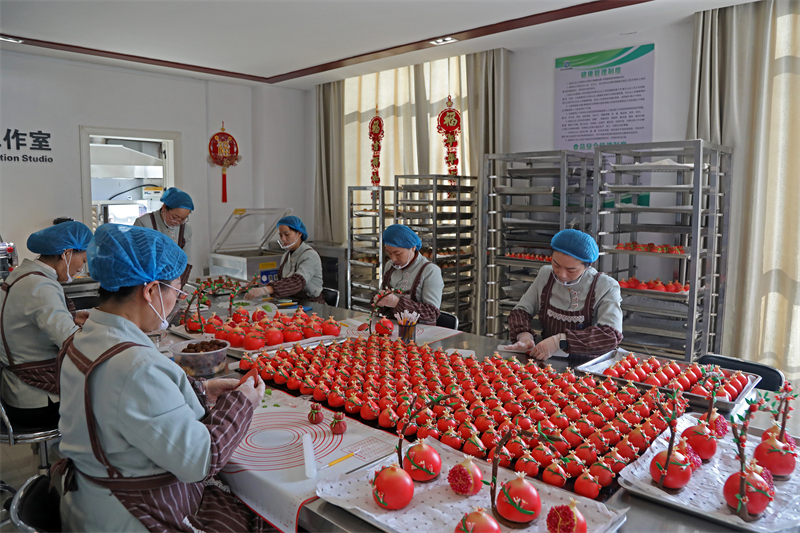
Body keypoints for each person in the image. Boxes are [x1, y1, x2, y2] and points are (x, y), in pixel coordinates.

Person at [57, 224, 266, 532]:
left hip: (92, 497)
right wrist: (242, 402)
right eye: (176, 292)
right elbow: (200, 460)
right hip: (133, 513)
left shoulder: (85, 337)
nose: (176, 303)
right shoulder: (135, 365)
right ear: (151, 291)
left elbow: (128, 410)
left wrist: (202, 390)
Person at [0, 221, 92, 426]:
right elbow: (72, 343)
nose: (81, 268)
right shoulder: (40, 285)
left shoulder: (24, 274)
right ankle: (77, 456)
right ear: (66, 254)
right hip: (34, 401)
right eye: (83, 260)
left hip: (15, 390)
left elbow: (30, 319)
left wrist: (70, 318)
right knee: (106, 403)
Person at [505, 229, 623, 360]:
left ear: (588, 266)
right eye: (556, 265)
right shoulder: (546, 275)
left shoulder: (605, 286)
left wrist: (560, 341)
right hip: (548, 360)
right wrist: (524, 335)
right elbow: (521, 311)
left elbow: (610, 336)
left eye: (571, 270)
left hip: (587, 365)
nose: (562, 274)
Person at [373, 224, 444, 325]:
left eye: (398, 254)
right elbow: (384, 302)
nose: (393, 259)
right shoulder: (390, 266)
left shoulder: (430, 271)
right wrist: (380, 301)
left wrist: (397, 303)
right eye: (389, 253)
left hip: (420, 331)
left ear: (413, 248)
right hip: (392, 327)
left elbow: (431, 313)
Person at [244, 215, 324, 303]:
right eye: (281, 235)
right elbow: (284, 281)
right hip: (292, 301)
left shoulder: (310, 256)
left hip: (311, 304)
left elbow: (297, 282)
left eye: (287, 234)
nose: (283, 239)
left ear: (299, 233)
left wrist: (265, 290)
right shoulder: (286, 255)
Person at [133, 186, 193, 286]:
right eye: (174, 217)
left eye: (183, 219)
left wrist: (178, 287)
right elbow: (136, 258)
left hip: (172, 282)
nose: (178, 222)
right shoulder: (143, 223)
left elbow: (186, 262)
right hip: (146, 281)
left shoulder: (186, 229)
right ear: (164, 207)